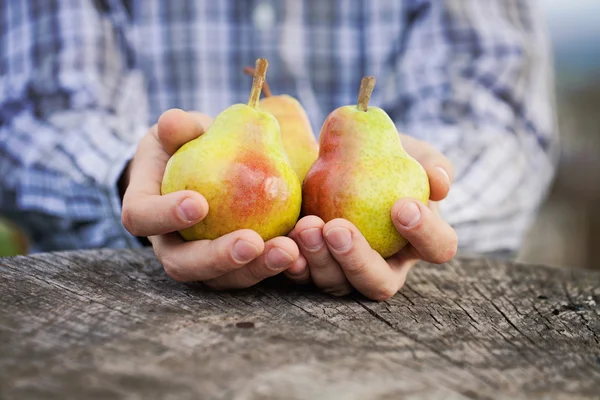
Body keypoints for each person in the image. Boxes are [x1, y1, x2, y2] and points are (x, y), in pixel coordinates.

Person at [0, 1, 557, 300]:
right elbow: (28, 111)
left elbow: (502, 122)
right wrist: (126, 176)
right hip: (112, 307)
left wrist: (429, 202)